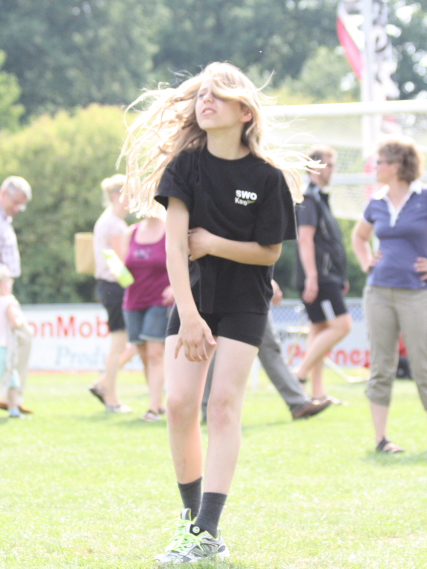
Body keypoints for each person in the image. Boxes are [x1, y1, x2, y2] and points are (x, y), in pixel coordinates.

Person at [121, 61, 311, 563]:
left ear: (244, 111)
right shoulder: (184, 167)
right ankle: (192, 522)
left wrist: (213, 243)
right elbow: (174, 247)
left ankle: (207, 530)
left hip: (245, 304)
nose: (205, 101)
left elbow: (269, 254)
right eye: (201, 94)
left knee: (223, 406)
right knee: (179, 404)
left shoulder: (267, 177)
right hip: (194, 301)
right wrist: (188, 314)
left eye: (218, 95)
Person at [352, 136, 427, 454]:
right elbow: (359, 237)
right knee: (381, 366)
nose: (375, 167)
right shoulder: (376, 201)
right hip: (378, 292)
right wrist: (367, 261)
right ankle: (381, 439)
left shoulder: (424, 197)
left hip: (417, 294)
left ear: (396, 165)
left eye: (379, 162)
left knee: (423, 366)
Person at [202, 280, 331, 421]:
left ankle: (298, 403)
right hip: (241, 288)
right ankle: (298, 402)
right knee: (218, 347)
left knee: (221, 347)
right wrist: (268, 281)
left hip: (245, 289)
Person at [294, 145, 352, 402]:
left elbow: (329, 243)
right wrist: (313, 277)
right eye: (328, 165)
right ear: (315, 168)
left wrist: (341, 276)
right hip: (320, 278)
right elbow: (305, 239)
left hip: (329, 277)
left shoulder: (320, 198)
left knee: (319, 331)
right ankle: (299, 374)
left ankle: (318, 394)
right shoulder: (308, 198)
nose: (332, 170)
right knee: (342, 326)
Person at [122, 215, 174, 421]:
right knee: (144, 355)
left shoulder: (170, 230)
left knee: (154, 353)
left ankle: (153, 408)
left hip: (160, 300)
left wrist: (175, 287)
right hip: (133, 301)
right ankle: (157, 403)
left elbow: (184, 260)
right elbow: (123, 265)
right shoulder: (131, 232)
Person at [90, 175, 132, 413]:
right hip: (115, 287)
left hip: (110, 286)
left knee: (123, 343)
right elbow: (124, 261)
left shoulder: (110, 221)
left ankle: (105, 386)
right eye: (129, 194)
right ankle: (111, 397)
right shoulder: (114, 224)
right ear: (117, 196)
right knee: (119, 343)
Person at [0, 176, 33, 414]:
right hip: (2, 294)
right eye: (16, 202)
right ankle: (11, 397)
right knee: (23, 335)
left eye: (22, 205)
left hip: (6, 291)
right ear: (4, 193)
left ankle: (10, 396)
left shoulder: (6, 221)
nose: (18, 208)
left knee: (21, 338)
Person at [0, 266, 26, 418]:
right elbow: (15, 324)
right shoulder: (7, 302)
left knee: (11, 379)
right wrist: (21, 319)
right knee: (12, 379)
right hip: (3, 348)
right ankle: (13, 409)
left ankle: (13, 409)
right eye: (9, 280)